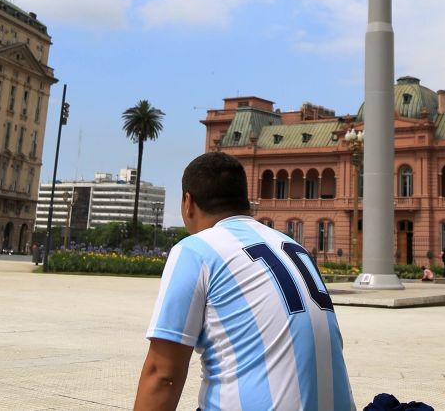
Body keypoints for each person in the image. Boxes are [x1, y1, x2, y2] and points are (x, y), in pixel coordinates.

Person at [134, 152, 354, 410]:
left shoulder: (196, 249)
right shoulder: (293, 247)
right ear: (245, 201)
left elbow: (163, 376)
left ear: (188, 203)